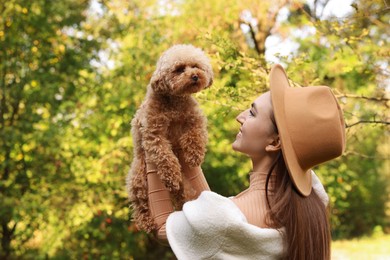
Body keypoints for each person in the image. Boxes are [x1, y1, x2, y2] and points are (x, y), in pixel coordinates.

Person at [144, 64, 346, 259]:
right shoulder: (311, 207)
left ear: (275, 141)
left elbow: (163, 227)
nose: (240, 117)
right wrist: (181, 144)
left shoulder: (223, 221)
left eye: (252, 113)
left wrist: (153, 136)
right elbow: (206, 213)